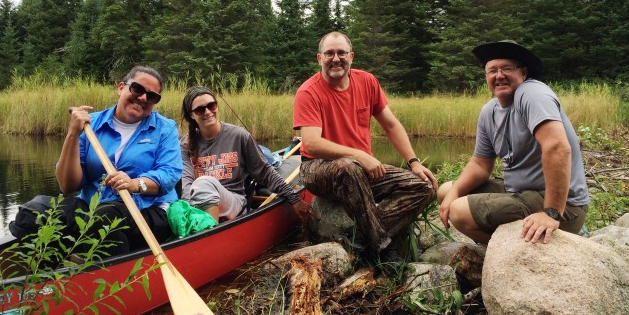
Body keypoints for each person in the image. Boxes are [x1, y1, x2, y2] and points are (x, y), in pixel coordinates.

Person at [292, 31, 437, 274]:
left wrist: (413, 162)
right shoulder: (308, 92)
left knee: (425, 186)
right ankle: (383, 246)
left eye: (341, 53)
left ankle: (356, 236)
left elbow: (390, 125)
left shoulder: (367, 81)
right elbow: (312, 143)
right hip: (318, 169)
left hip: (359, 171)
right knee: (349, 166)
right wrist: (359, 155)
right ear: (319, 58)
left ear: (351, 56)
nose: (335, 59)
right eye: (329, 53)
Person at [437, 40, 590, 244]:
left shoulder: (532, 93)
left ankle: (516, 252)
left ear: (524, 73)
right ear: (486, 77)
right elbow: (480, 165)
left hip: (564, 206)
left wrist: (551, 212)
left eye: (507, 68)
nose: (499, 75)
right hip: (520, 192)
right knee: (447, 191)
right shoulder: (489, 111)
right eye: (492, 70)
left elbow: (557, 147)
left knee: (459, 211)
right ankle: (509, 248)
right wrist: (455, 191)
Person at [53, 66, 183, 255]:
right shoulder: (90, 125)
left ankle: (113, 276)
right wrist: (73, 133)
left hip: (148, 210)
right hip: (93, 206)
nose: (143, 98)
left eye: (152, 96)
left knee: (105, 218)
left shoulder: (165, 128)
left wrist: (134, 184)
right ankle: (50, 272)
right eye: (137, 89)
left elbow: (169, 174)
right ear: (121, 87)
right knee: (35, 212)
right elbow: (67, 186)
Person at [180, 86, 314, 222]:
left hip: (234, 201)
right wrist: (189, 211)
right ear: (192, 115)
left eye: (211, 105)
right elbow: (186, 184)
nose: (207, 112)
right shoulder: (185, 144)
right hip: (199, 204)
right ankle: (200, 227)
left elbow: (265, 172)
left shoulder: (238, 135)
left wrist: (294, 198)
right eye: (200, 109)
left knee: (204, 183)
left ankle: (207, 232)